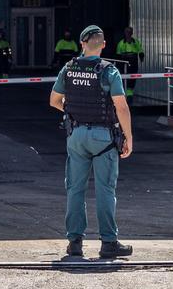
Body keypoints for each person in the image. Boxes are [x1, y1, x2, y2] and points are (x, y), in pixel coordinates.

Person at [49, 24, 134, 259]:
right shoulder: (109, 71)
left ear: (82, 44)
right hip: (103, 137)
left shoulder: (69, 68)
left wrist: (72, 110)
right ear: (104, 45)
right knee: (105, 189)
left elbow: (54, 100)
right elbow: (121, 106)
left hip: (75, 136)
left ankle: (74, 242)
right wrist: (128, 136)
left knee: (75, 189)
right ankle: (108, 243)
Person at [115, 26, 145, 98]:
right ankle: (122, 92)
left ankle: (129, 94)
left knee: (133, 76)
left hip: (134, 61)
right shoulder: (121, 43)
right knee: (124, 76)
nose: (128, 33)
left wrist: (141, 57)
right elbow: (118, 55)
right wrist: (119, 64)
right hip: (124, 61)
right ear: (125, 33)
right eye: (127, 32)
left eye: (130, 32)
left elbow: (140, 51)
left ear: (132, 33)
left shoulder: (136, 42)